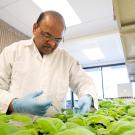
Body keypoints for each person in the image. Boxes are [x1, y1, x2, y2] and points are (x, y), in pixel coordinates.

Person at [0, 10, 98, 117]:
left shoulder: (66, 59)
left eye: (58, 40)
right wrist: (16, 104)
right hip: (17, 128)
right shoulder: (12, 51)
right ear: (34, 28)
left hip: (53, 128)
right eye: (47, 35)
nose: (52, 43)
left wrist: (87, 97)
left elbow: (85, 83)